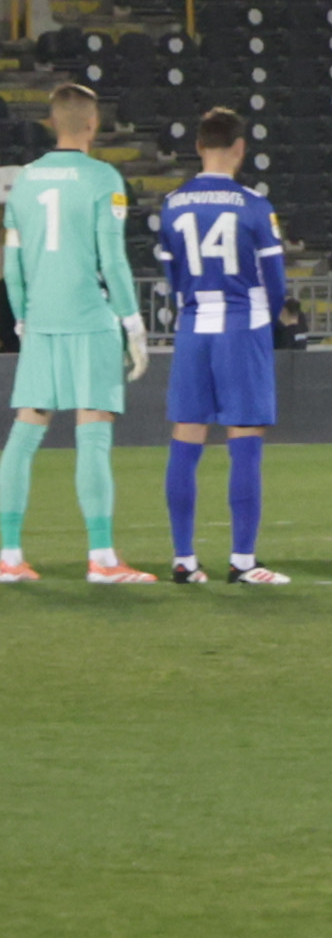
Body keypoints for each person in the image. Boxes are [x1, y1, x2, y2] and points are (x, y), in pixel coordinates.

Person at [1, 82, 152, 584]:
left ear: (51, 123)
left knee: (23, 434)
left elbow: (11, 263)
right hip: (89, 319)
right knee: (93, 434)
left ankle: (7, 554)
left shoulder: (24, 180)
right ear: (93, 124)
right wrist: (132, 323)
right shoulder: (103, 178)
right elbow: (113, 259)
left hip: (41, 320)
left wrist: (23, 318)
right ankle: (102, 559)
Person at [152, 105, 287, 584]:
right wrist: (268, 320)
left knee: (186, 437)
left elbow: (171, 275)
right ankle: (243, 561)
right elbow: (275, 282)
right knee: (244, 440)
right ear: (240, 148)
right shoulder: (254, 205)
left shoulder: (173, 204)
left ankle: (184, 560)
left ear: (197, 146)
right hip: (241, 326)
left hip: (193, 328)